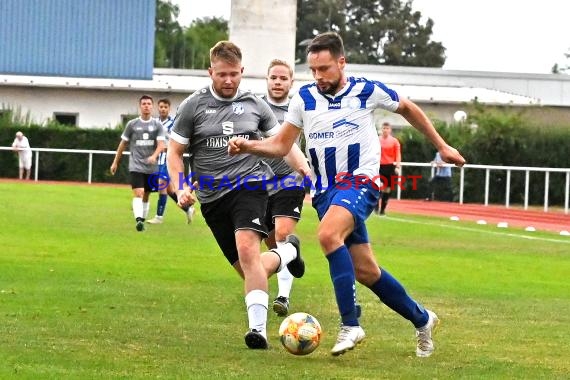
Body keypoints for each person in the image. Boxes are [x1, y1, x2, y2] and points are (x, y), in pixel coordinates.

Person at [228, 32, 466, 357]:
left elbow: (407, 108)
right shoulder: (304, 99)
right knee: (367, 271)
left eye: (324, 68)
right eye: (313, 70)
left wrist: (442, 145)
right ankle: (422, 319)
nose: (318, 76)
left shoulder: (367, 90)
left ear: (342, 62)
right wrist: (250, 145)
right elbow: (283, 145)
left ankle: (351, 324)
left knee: (327, 235)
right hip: (326, 193)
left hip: (360, 183)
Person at [166, 41, 310, 349]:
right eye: (222, 75)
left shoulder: (257, 105)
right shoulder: (193, 106)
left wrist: (305, 170)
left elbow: (283, 144)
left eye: (234, 74)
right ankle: (288, 252)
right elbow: (174, 153)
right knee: (249, 269)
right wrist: (181, 188)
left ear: (242, 71)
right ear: (210, 72)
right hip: (211, 198)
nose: (228, 80)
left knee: (248, 251)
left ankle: (257, 331)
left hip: (250, 185)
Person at [261, 59, 307, 317]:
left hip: (291, 180)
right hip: (260, 184)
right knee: (273, 244)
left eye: (283, 78)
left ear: (291, 82)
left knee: (281, 233)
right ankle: (293, 253)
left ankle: (282, 297)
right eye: (273, 78)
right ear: (267, 80)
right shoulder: (254, 106)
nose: (278, 82)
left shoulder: (299, 109)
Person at [110, 95, 165, 232]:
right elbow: (123, 144)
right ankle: (139, 220)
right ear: (140, 106)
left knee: (146, 194)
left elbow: (161, 145)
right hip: (136, 165)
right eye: (144, 103)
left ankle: (142, 221)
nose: (146, 106)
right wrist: (115, 162)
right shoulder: (132, 125)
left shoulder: (157, 125)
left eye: (148, 103)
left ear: (152, 106)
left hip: (152, 167)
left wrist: (154, 156)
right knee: (139, 193)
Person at [146, 98, 196, 225]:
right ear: (158, 108)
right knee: (168, 190)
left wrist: (167, 149)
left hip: (168, 159)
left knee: (161, 184)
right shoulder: (155, 123)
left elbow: (179, 143)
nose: (163, 109)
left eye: (165, 107)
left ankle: (159, 216)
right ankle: (188, 208)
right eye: (161, 106)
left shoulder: (174, 123)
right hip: (158, 159)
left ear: (169, 108)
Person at [375, 121, 401, 215]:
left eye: (387, 128)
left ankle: (382, 209)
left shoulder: (394, 141)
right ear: (381, 129)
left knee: (388, 189)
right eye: (384, 128)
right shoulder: (377, 140)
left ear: (390, 130)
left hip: (390, 166)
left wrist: (397, 166)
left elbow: (397, 154)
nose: (385, 130)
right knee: (379, 186)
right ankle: (376, 206)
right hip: (379, 166)